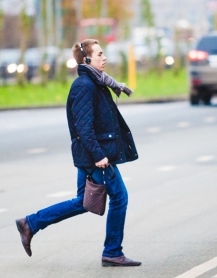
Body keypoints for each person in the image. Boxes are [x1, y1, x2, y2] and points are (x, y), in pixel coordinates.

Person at [15, 39, 141, 267]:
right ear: (88, 59)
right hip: (96, 156)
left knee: (83, 202)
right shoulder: (85, 86)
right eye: (100, 54)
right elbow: (83, 127)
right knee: (119, 198)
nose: (104, 58)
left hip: (94, 154)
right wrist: (99, 155)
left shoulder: (97, 83)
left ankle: (31, 223)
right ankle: (112, 251)